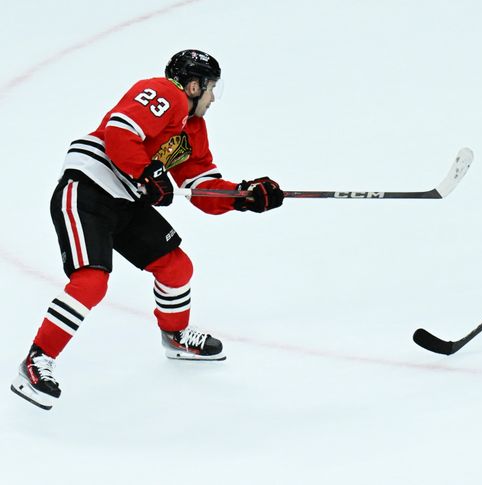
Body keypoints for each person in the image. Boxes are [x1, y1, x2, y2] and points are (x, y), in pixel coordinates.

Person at [10, 49, 284, 410]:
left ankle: (175, 336)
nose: (214, 98)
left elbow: (201, 188)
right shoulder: (164, 93)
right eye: (211, 88)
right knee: (91, 281)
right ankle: (35, 361)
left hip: (126, 198)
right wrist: (147, 172)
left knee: (176, 266)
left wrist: (241, 196)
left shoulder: (194, 130)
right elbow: (120, 132)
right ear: (193, 84)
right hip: (89, 188)